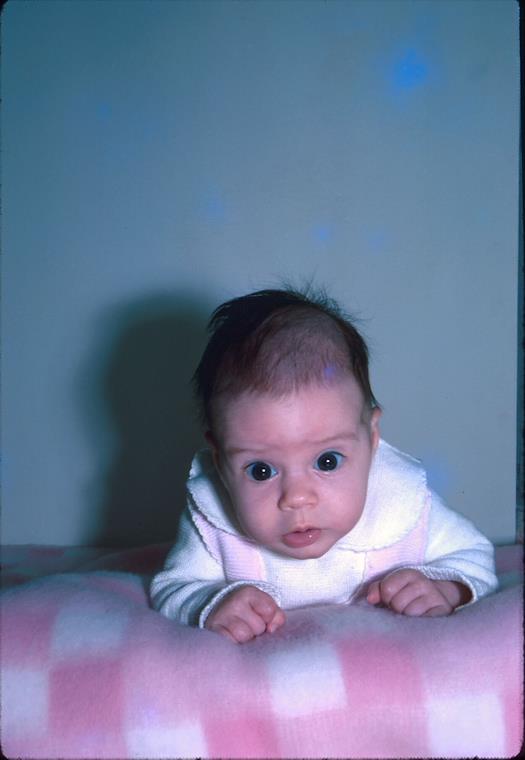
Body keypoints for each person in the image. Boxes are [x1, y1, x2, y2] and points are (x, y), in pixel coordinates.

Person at [150, 287, 497, 643]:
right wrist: (210, 603)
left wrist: (445, 588)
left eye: (327, 461)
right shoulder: (214, 525)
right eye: (261, 471)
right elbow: (173, 588)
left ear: (371, 437)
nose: (297, 497)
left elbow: (475, 559)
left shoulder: (402, 504)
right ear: (221, 462)